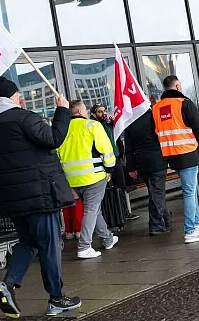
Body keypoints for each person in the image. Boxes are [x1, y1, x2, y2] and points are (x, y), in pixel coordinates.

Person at [0, 77, 81, 318]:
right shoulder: (23, 118)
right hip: (39, 194)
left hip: (13, 197)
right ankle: (56, 298)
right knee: (50, 244)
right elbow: (53, 138)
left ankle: (8, 284)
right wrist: (62, 111)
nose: (21, 98)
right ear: (10, 97)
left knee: (29, 241)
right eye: (17, 94)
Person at [152, 75, 199, 244]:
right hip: (187, 152)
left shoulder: (156, 108)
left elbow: (155, 132)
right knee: (189, 191)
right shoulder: (184, 103)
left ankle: (197, 223)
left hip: (171, 154)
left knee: (191, 189)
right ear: (177, 86)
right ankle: (190, 230)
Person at [59, 101, 119, 259]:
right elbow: (106, 149)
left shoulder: (62, 129)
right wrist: (109, 169)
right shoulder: (92, 125)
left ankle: (107, 239)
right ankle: (84, 246)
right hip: (94, 176)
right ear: (79, 111)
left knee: (94, 210)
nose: (86, 111)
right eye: (85, 109)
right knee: (91, 210)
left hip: (72, 179)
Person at [125, 110, 172, 236]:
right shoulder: (153, 115)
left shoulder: (130, 120)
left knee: (155, 192)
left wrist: (131, 167)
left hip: (142, 161)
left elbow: (128, 148)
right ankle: (156, 225)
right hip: (157, 159)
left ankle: (166, 220)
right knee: (157, 193)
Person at [90, 104, 139, 221]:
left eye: (104, 111)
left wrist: (114, 122)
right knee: (108, 188)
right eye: (100, 112)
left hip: (115, 158)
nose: (103, 113)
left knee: (121, 186)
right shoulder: (94, 125)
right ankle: (112, 215)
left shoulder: (108, 123)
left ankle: (124, 211)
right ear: (94, 114)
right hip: (103, 162)